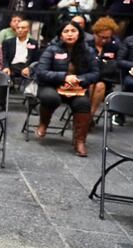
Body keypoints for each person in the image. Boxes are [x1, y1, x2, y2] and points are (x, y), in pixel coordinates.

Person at [35, 21, 99, 156]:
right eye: (66, 31)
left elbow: (95, 73)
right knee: (50, 98)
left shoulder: (88, 51)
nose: (70, 34)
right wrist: (63, 77)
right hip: (52, 85)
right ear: (60, 35)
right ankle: (43, 123)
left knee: (83, 104)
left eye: (73, 31)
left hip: (76, 88)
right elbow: (41, 71)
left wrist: (79, 79)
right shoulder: (52, 49)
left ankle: (80, 141)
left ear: (79, 34)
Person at [88, 17, 121, 120]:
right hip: (88, 78)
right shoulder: (87, 44)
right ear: (94, 33)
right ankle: (84, 113)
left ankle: (90, 116)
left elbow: (117, 65)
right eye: (101, 37)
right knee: (91, 84)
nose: (104, 40)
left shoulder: (114, 46)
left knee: (100, 86)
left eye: (108, 37)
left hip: (105, 79)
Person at [115, 30, 133, 125]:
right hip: (132, 73)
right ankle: (120, 114)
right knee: (131, 83)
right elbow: (119, 61)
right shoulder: (130, 40)